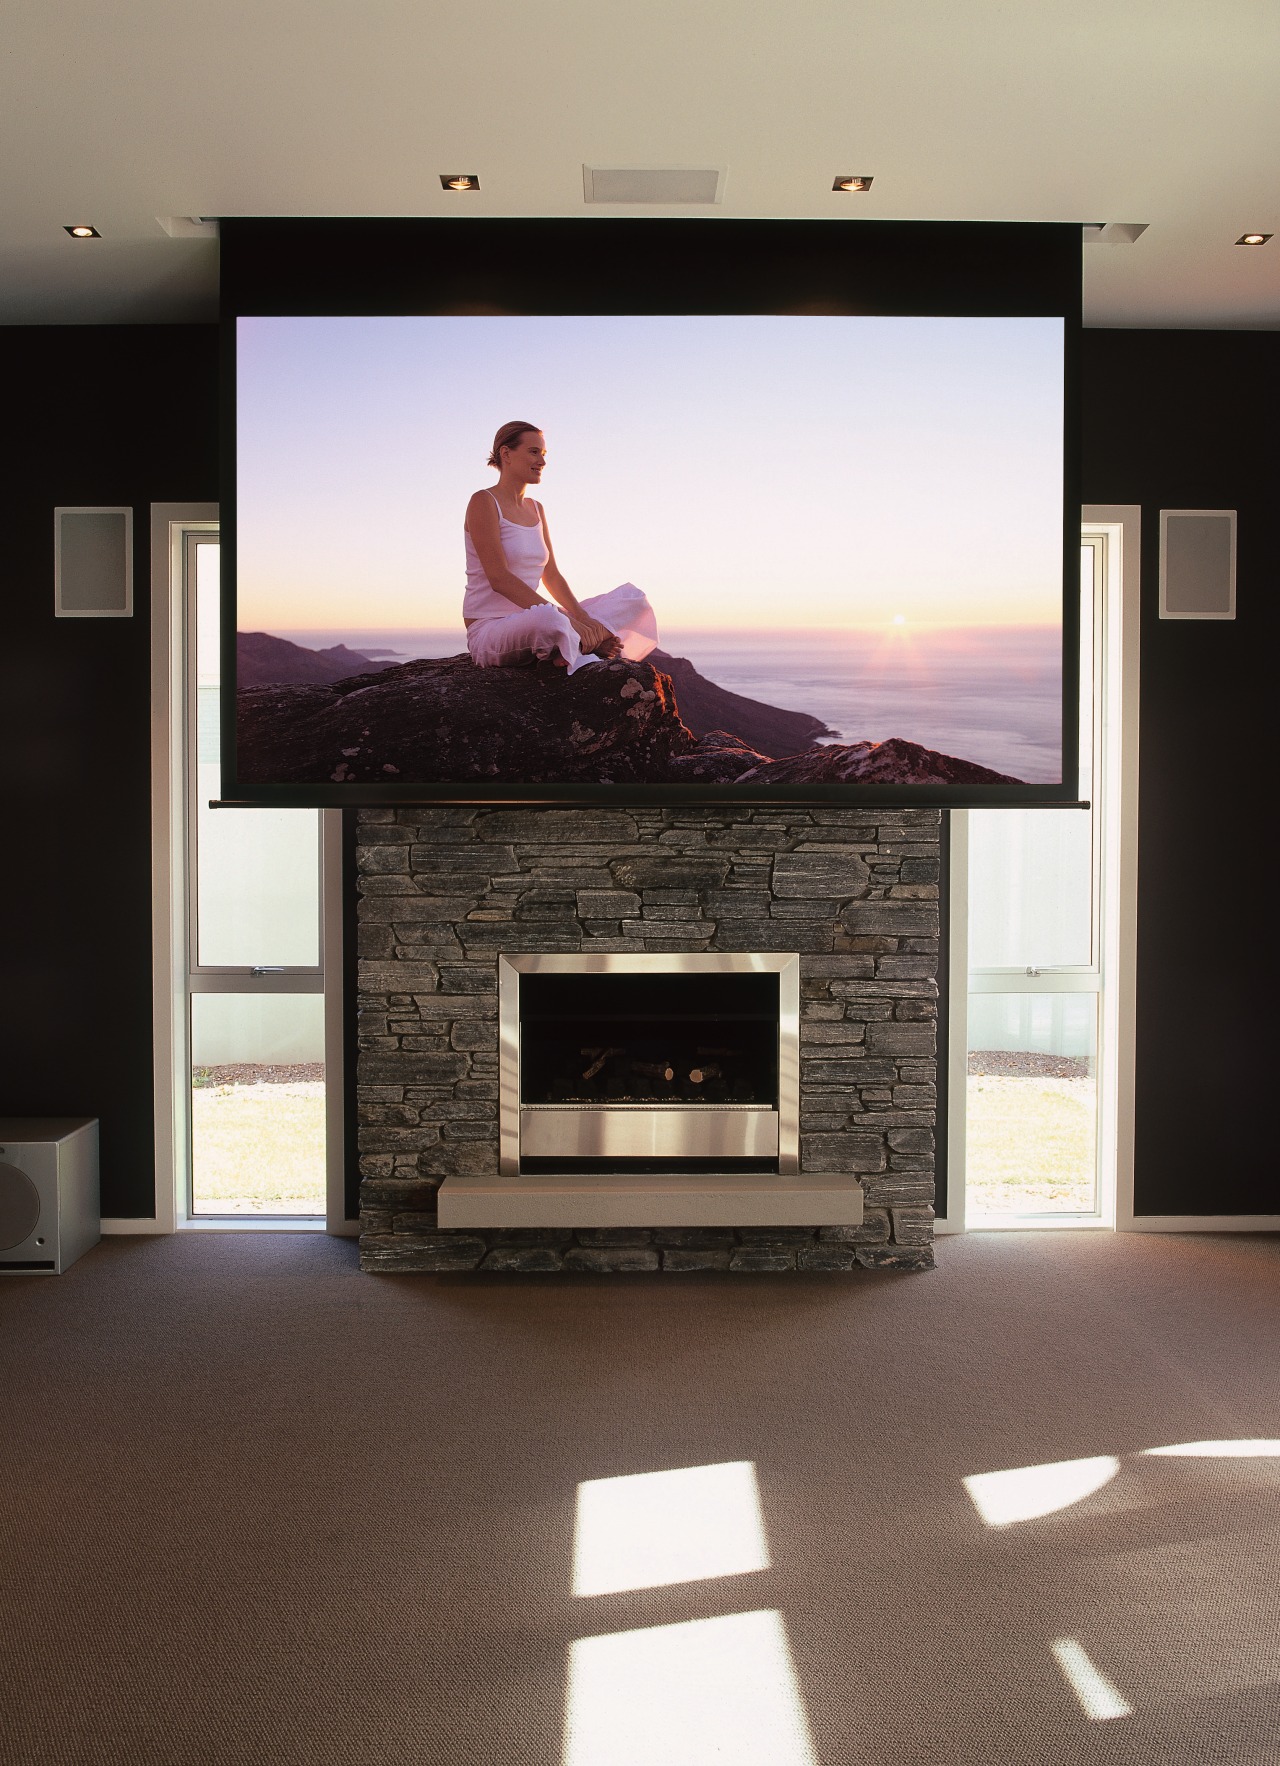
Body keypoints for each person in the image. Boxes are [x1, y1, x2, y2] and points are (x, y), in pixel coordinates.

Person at [463, 421, 658, 674]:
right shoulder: (483, 501)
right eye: (534, 452)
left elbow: (551, 575)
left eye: (543, 454)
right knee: (549, 620)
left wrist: (583, 618)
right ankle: (575, 642)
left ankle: (574, 643)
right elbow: (499, 578)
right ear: (506, 454)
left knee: (633, 599)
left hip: (534, 617)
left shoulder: (536, 508)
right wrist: (569, 621)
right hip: (491, 629)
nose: (542, 462)